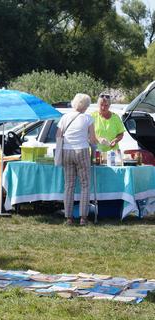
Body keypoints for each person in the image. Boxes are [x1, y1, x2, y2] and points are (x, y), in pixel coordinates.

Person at [56, 93, 99, 226]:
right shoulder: (88, 118)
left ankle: (68, 218)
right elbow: (92, 139)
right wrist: (96, 146)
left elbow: (58, 135)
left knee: (69, 185)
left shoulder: (64, 117)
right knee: (85, 185)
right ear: (86, 106)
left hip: (67, 152)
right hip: (82, 151)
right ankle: (83, 218)